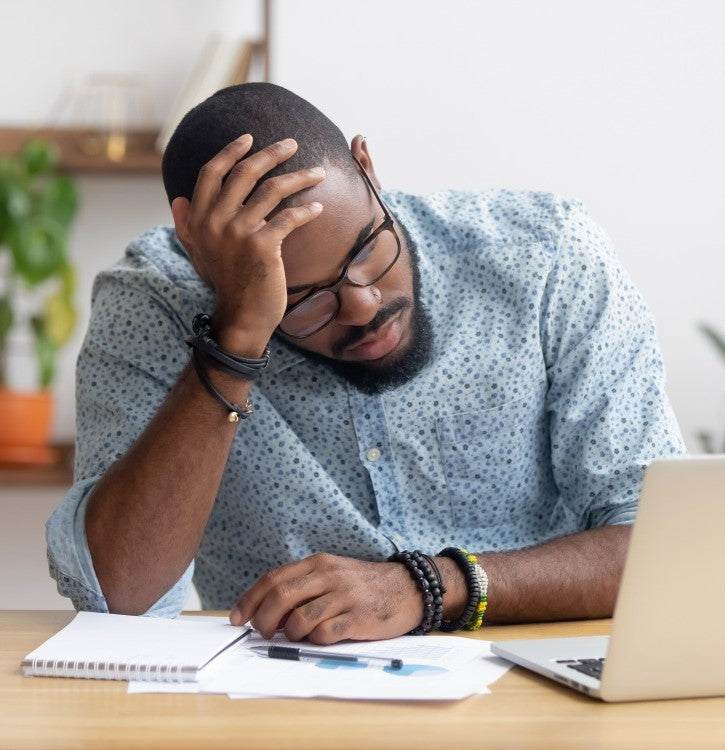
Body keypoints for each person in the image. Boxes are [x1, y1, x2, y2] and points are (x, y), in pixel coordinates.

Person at [47, 82, 685, 644]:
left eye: (368, 248)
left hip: (536, 699)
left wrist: (429, 587)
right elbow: (120, 595)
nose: (362, 304)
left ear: (368, 168)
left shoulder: (545, 259)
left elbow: (666, 546)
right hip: (281, 718)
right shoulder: (152, 302)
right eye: (302, 299)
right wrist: (237, 334)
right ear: (200, 256)